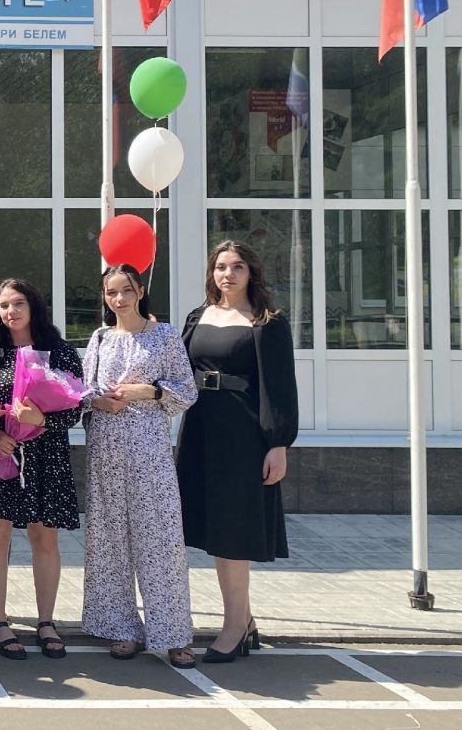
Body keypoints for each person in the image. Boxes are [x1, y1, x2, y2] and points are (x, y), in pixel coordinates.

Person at [178, 240, 299, 662]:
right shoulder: (198, 317)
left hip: (244, 436)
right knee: (215, 530)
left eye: (237, 267)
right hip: (201, 431)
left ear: (252, 273)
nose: (227, 274)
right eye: (220, 267)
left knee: (234, 532)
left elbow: (279, 389)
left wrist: (278, 444)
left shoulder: (267, 322)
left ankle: (233, 627)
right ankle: (244, 620)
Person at [81, 264, 199, 668]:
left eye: (126, 290)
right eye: (111, 292)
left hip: (149, 448)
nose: (119, 299)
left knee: (161, 540)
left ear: (140, 291)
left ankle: (173, 632)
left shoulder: (163, 335)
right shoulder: (100, 338)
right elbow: (82, 393)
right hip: (106, 450)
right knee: (109, 541)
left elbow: (187, 392)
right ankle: (121, 628)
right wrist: (99, 402)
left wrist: (148, 391)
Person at [0, 279, 83, 661]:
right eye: (3, 305)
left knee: (44, 539)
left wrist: (42, 421)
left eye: (17, 303)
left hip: (45, 457)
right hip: (1, 455)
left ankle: (46, 622)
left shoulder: (60, 352)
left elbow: (76, 409)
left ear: (33, 305)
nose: (10, 311)